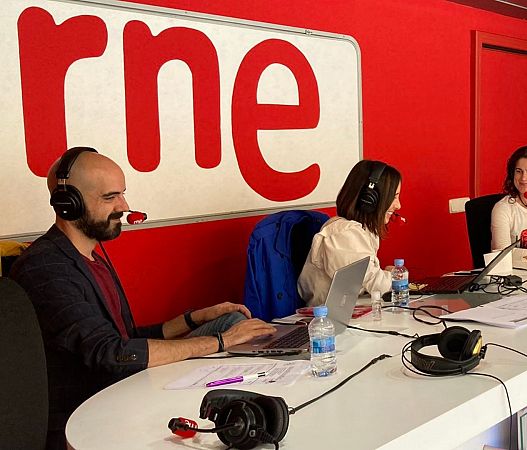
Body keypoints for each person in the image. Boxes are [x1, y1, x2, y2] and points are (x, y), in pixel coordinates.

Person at [10, 147, 276, 448]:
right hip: (86, 411)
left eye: (122, 194)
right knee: (228, 333)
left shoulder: (92, 259)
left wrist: (193, 319)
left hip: (117, 379)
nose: (123, 205)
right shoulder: (46, 268)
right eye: (110, 197)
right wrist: (221, 342)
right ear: (68, 204)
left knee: (229, 320)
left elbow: (126, 338)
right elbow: (111, 354)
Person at [298, 160, 402, 306]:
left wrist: (388, 275)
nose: (398, 205)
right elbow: (378, 286)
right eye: (394, 197)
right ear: (369, 199)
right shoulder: (343, 234)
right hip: (326, 322)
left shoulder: (363, 231)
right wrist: (396, 276)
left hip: (351, 313)